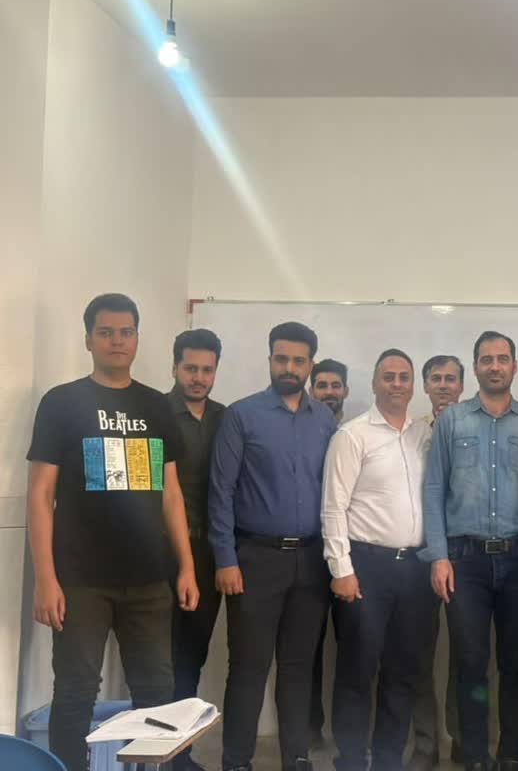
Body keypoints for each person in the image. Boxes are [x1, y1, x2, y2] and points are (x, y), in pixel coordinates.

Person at [26, 293, 199, 771]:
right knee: (75, 692)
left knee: (156, 695)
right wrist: (45, 579)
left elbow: (170, 494)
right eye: (105, 332)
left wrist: (186, 567)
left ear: (137, 338)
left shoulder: (156, 406)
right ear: (89, 339)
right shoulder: (61, 403)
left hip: (149, 580)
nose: (116, 341)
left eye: (126, 332)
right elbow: (41, 494)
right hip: (80, 580)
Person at [208, 321, 336, 771]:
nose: (289, 367)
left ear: (310, 364)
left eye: (298, 360)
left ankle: (296, 757)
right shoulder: (242, 415)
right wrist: (225, 559)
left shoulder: (324, 420)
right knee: (249, 666)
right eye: (281, 358)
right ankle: (236, 761)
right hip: (255, 559)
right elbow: (221, 492)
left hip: (311, 560)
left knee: (299, 668)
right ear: (269, 360)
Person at [422, 331, 518, 771]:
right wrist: (439, 555)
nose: (495, 366)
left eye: (502, 358)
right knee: (471, 663)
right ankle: (475, 755)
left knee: (515, 663)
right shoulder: (452, 421)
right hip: (464, 560)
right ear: (475, 367)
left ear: (514, 366)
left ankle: (511, 752)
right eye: (486, 359)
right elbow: (434, 489)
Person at [323, 349, 437, 770]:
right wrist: (341, 569)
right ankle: (352, 759)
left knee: (403, 671)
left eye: (404, 377)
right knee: (357, 669)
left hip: (417, 571)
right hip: (366, 568)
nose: (396, 384)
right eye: (388, 377)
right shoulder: (352, 436)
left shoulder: (424, 435)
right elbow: (333, 507)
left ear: (413, 385)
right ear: (373, 384)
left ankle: (389, 758)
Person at [168, 328, 226, 771]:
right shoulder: (154, 412)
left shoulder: (226, 418)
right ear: (175, 367)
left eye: (207, 369)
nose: (199, 377)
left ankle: (179, 755)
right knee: (158, 661)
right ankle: (153, 754)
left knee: (192, 657)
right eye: (191, 368)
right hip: (163, 553)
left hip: (209, 555)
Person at [409, 354, 466, 771]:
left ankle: (463, 737)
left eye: (450, 379)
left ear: (462, 386)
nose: (443, 385)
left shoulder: (473, 427)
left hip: (464, 555)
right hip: (419, 556)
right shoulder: (412, 432)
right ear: (425, 386)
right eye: (436, 378)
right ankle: (426, 743)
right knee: (420, 653)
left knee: (467, 653)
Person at [308, 356, 351, 743]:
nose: (329, 392)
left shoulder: (355, 435)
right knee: (308, 644)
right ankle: (309, 729)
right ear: (311, 390)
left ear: (346, 391)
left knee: (352, 644)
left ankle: (348, 733)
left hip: (352, 556)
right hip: (308, 553)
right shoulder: (302, 432)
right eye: (321, 385)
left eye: (335, 385)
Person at [311, 358, 350, 425]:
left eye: (336, 386)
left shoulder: (357, 428)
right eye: (322, 386)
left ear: (346, 392)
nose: (329, 392)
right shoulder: (300, 428)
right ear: (311, 392)